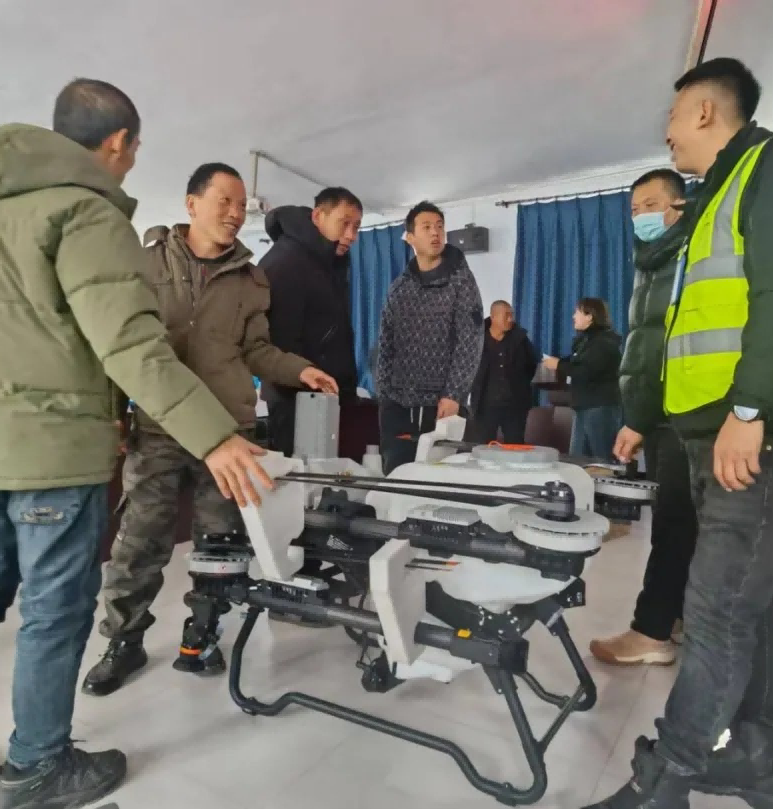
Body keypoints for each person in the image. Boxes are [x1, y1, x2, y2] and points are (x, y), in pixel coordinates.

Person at [0, 79, 274, 809]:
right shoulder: (87, 211)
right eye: (134, 149)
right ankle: (37, 769)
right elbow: (131, 346)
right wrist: (216, 437)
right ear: (119, 143)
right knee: (54, 609)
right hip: (54, 450)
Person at [586, 58, 773, 809]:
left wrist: (750, 410)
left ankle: (664, 782)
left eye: (672, 118)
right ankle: (760, 761)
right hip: (715, 429)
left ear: (703, 111)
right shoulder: (715, 198)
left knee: (716, 610)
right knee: (757, 604)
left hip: (758, 430)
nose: (667, 134)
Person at [80, 162, 337, 696]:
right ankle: (123, 640)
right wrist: (113, 412)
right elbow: (118, 345)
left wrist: (299, 369)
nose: (236, 213)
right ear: (191, 203)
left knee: (220, 546)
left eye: (242, 205)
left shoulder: (252, 279)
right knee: (138, 544)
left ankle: (201, 635)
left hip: (230, 431)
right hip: (158, 427)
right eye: (225, 200)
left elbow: (256, 349)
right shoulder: (144, 263)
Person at [589, 169, 696, 668]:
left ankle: (651, 631)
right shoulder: (654, 260)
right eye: (634, 210)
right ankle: (676, 616)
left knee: (674, 524)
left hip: (676, 411)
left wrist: (639, 418)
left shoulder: (684, 257)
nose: (640, 217)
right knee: (680, 524)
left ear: (678, 206)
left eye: (650, 205)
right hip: (663, 412)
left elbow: (660, 346)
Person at [375, 201, 483, 474]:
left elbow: (469, 342)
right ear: (410, 237)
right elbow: (385, 345)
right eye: (426, 227)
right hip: (398, 407)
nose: (435, 233)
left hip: (442, 406)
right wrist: (384, 393)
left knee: (440, 482)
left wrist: (454, 394)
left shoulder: (461, 282)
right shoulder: (399, 288)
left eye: (440, 227)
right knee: (397, 479)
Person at [259, 187, 363, 456]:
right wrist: (306, 384)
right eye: (344, 223)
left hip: (324, 396)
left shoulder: (328, 262)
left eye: (356, 227)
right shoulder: (286, 262)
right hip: (298, 399)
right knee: (302, 477)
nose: (351, 235)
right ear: (318, 216)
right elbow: (276, 344)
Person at [541, 297, 622, 459]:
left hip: (599, 409)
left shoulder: (603, 342)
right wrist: (557, 363)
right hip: (583, 406)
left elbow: (586, 371)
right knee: (577, 460)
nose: (573, 316)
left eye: (577, 312)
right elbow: (576, 363)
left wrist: (558, 365)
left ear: (589, 316)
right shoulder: (585, 341)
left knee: (602, 460)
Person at [467, 300, 538, 444]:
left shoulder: (520, 339)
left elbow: (531, 365)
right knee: (482, 446)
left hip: (514, 405)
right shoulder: (477, 339)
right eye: (506, 315)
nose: (510, 319)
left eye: (511, 315)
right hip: (484, 404)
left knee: (515, 445)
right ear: (493, 317)